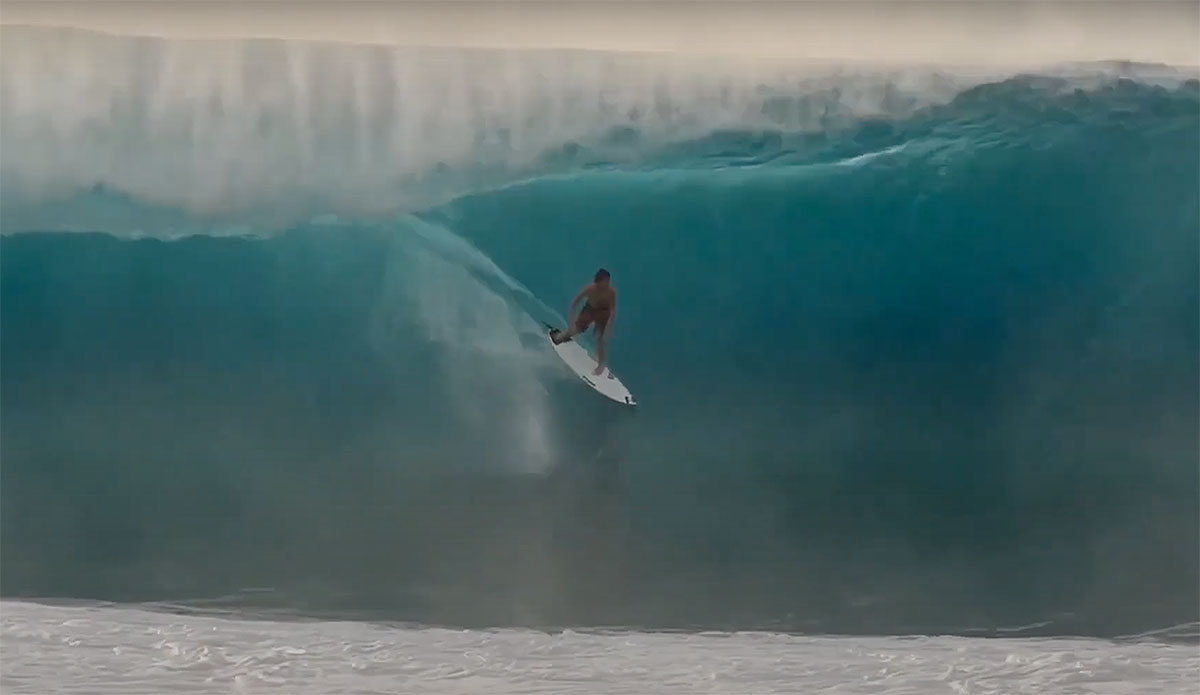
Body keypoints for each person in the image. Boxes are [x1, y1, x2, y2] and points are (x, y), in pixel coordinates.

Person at [550, 268, 617, 375]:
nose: (606, 284)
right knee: (576, 329)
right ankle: (561, 336)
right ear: (598, 282)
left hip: (603, 313)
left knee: (600, 339)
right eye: (603, 282)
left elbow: (612, 310)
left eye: (607, 282)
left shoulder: (611, 292)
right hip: (589, 310)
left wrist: (609, 327)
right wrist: (572, 322)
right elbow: (574, 303)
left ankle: (601, 364)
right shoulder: (590, 289)